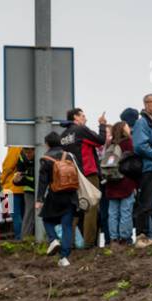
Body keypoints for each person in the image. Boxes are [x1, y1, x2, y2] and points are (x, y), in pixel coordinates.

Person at [59, 108, 108, 249]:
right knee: (91, 207)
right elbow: (100, 141)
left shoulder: (63, 135)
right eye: (83, 115)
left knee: (75, 209)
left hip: (71, 176)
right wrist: (102, 125)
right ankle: (89, 243)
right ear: (76, 117)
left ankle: (70, 242)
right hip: (88, 173)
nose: (85, 118)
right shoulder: (80, 130)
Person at [36, 130, 79, 267]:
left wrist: (39, 199)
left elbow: (43, 181)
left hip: (54, 196)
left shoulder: (46, 158)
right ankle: (64, 258)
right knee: (67, 226)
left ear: (47, 144)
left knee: (47, 219)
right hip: (71, 195)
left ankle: (53, 240)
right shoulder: (70, 156)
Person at [131, 94, 152, 246]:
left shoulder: (151, 122)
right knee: (144, 203)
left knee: (147, 203)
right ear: (145, 104)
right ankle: (140, 237)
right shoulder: (142, 122)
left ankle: (147, 236)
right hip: (147, 167)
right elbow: (139, 145)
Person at [103, 120, 138, 245]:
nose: (129, 129)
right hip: (126, 183)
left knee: (112, 213)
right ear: (123, 130)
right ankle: (125, 239)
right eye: (128, 126)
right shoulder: (128, 143)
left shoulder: (109, 145)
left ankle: (113, 239)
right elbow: (134, 164)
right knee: (125, 212)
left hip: (111, 183)